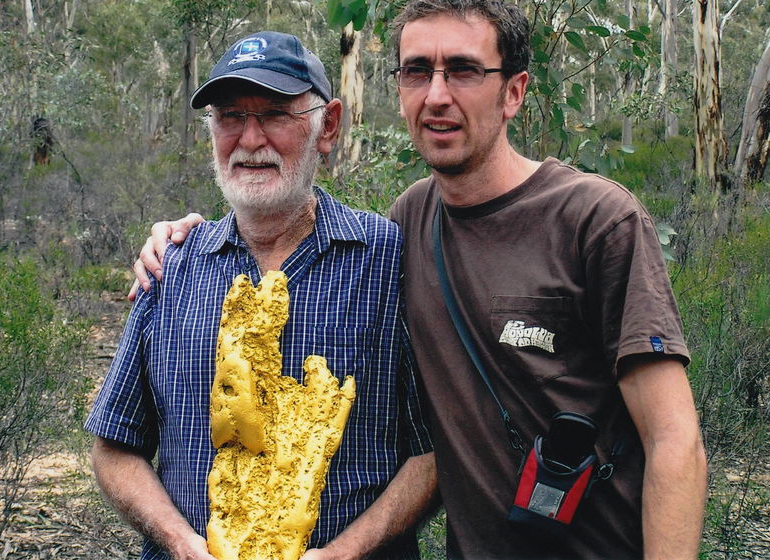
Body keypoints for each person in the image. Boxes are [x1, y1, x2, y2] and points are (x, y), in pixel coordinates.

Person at [134, 2, 708, 558]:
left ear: (514, 91)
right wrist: (184, 238)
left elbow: (674, 442)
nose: (437, 95)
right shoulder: (408, 224)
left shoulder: (595, 220)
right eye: (417, 72)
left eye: (462, 70)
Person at [86, 30, 437, 560]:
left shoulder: (389, 261)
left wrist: (342, 553)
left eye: (275, 114)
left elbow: (434, 453)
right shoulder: (172, 266)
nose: (250, 140)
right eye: (229, 116)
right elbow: (114, 448)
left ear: (329, 126)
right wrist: (181, 543)